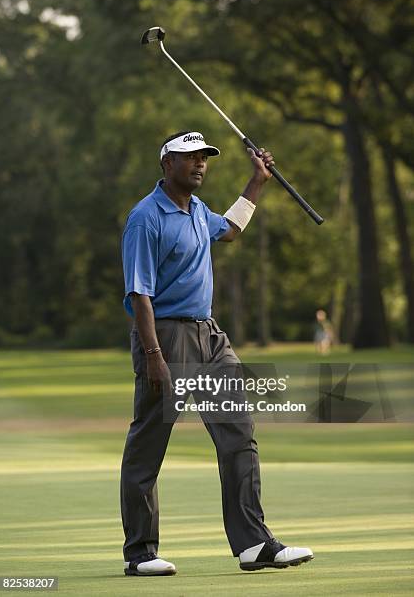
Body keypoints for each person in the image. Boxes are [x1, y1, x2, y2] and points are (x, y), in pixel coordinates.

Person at [120, 130, 314, 576]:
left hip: (209, 335)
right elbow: (139, 295)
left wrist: (258, 180)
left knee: (238, 431)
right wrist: (152, 353)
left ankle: (253, 545)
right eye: (190, 158)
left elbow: (229, 230)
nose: (200, 164)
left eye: (204, 158)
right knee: (150, 443)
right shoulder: (145, 218)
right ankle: (141, 553)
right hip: (165, 337)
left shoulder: (197, 212)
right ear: (167, 164)